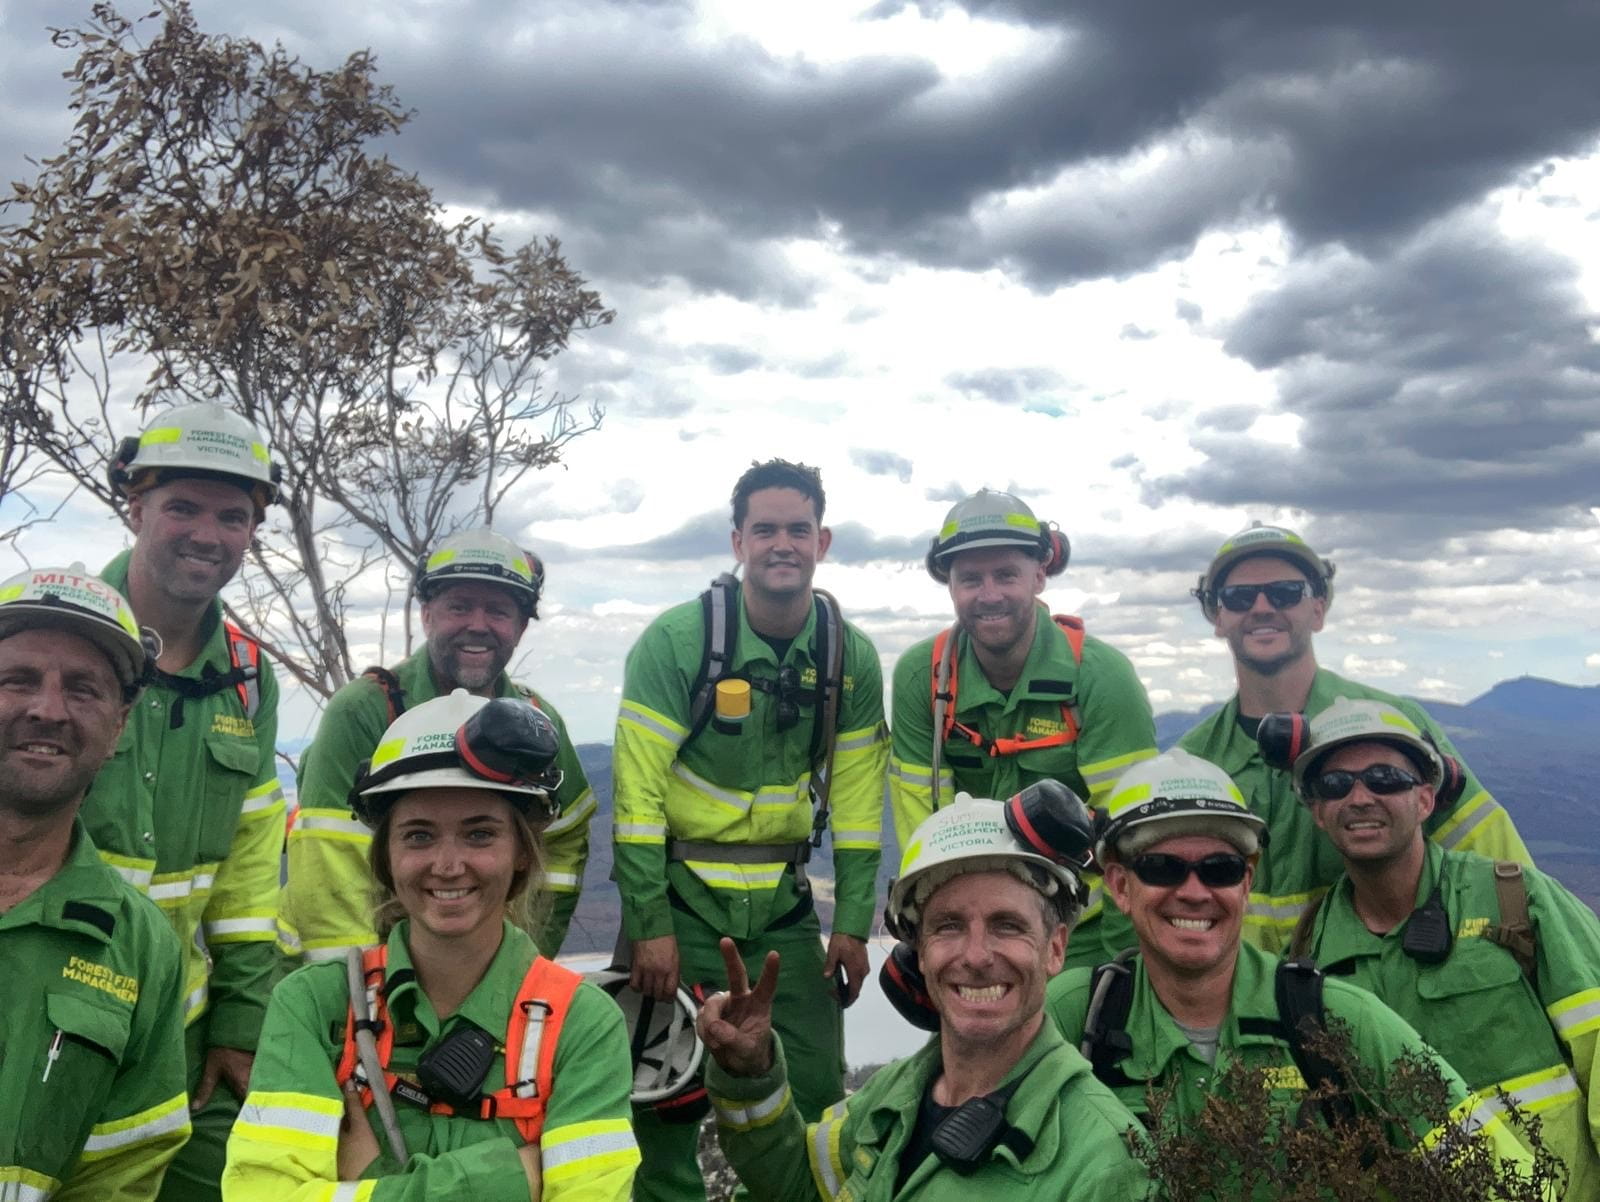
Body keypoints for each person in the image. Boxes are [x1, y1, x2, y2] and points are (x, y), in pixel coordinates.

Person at [222, 691, 639, 1200]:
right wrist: (512, 1176)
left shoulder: (581, 1024)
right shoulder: (314, 1007)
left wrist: (366, 1183)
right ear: (386, 856)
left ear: (522, 854)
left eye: (480, 834)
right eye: (419, 836)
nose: (447, 865)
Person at [1046, 748, 1534, 1172]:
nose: (1193, 893)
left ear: (1246, 881)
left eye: (1220, 868)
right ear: (1119, 885)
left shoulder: (1335, 1019)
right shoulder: (1072, 1017)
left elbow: (1499, 1175)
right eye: (1161, 867)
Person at [612, 459, 889, 1202]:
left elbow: (860, 808)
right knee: (661, 1111)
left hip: (784, 913)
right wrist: (647, 923)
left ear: (822, 541)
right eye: (764, 529)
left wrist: (855, 923)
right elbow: (636, 795)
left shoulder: (847, 656)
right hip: (682, 906)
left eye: (798, 529)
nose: (782, 544)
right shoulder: (678, 641)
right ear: (738, 540)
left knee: (820, 1102)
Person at [699, 789, 1151, 1200]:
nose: (976, 956)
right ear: (919, 953)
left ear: (1055, 949)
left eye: (1007, 925)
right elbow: (799, 1186)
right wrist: (752, 1073)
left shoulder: (1106, 1163)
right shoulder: (893, 1096)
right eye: (949, 925)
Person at [88, 403, 288, 1202]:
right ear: (135, 506)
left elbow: (247, 873)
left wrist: (241, 1021)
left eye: (233, 516)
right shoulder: (50, 635)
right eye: (183, 507)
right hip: (42, 1019)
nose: (208, 534)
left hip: (183, 1033)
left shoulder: (247, 673)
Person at [1288, 697, 1600, 1196]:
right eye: (1335, 784)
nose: (1360, 796)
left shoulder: (1517, 899)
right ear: (1319, 813)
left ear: (1425, 800)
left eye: (1385, 778)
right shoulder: (1309, 955)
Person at [1178, 521, 1531, 951]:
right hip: (1241, 1004)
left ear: (1319, 609)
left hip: (1379, 994)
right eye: (1238, 597)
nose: (1262, 607)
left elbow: (1501, 869)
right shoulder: (1191, 763)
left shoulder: (1395, 723)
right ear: (1218, 617)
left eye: (1287, 592)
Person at [281, 528, 594, 962]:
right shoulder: (365, 712)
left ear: (520, 628)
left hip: (482, 968)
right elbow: (331, 883)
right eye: (459, 606)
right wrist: (364, 1000)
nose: (478, 625)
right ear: (427, 614)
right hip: (369, 979)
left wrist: (526, 962)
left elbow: (565, 840)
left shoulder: (538, 722)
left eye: (498, 611)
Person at [889, 488, 1157, 967]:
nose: (989, 595)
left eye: (1006, 575)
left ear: (1039, 575)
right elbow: (924, 832)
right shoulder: (922, 678)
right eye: (970, 578)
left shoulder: (1100, 678)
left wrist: (1127, 967)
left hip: (1082, 938)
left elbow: (1133, 841)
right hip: (976, 935)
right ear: (949, 584)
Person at [0, 565, 190, 1199]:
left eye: (83, 689)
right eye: (18, 679)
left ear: (119, 726)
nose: (47, 710)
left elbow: (120, 1175)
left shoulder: (141, 947)